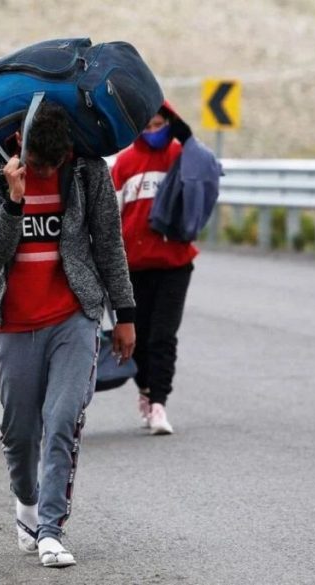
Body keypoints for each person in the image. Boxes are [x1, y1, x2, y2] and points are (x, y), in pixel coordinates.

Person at [0, 101, 136, 568]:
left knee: (63, 420)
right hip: (15, 323)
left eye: (54, 162)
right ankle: (26, 502)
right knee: (20, 434)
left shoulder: (86, 173)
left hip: (73, 317)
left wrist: (124, 314)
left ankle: (50, 529)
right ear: (20, 143)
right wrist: (13, 201)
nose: (46, 170)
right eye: (39, 162)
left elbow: (109, 242)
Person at [111, 103, 197, 436]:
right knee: (138, 338)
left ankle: (159, 403)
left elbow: (203, 174)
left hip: (175, 263)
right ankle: (145, 390)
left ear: (170, 123)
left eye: (159, 124)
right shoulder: (124, 164)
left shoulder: (181, 155)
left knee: (163, 336)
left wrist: (186, 137)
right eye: (146, 125)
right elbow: (110, 216)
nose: (152, 130)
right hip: (132, 267)